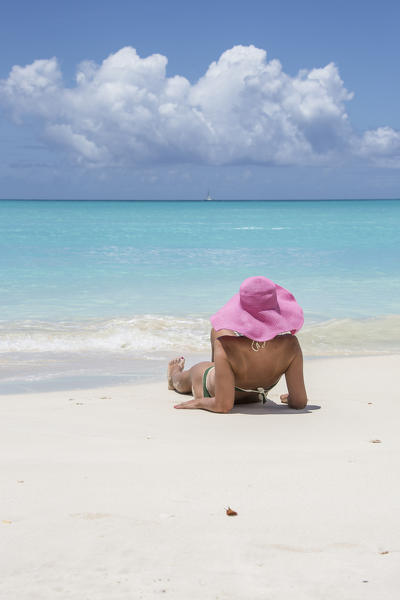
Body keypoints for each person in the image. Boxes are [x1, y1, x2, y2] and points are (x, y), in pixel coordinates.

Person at [167, 276, 308, 413]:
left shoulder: (225, 346)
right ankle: (223, 371)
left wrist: (198, 402)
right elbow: (299, 402)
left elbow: (222, 405)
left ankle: (174, 374)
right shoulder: (291, 345)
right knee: (220, 331)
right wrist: (290, 398)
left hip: (212, 389)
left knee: (182, 378)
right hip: (255, 396)